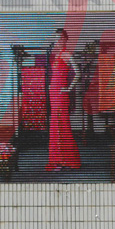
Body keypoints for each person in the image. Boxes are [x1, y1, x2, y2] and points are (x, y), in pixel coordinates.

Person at [46, 28, 82, 171]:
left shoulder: (67, 54)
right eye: (56, 39)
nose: (58, 41)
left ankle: (64, 160)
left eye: (60, 38)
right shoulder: (57, 54)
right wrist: (50, 85)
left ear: (66, 39)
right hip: (54, 92)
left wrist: (69, 88)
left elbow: (78, 73)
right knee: (55, 126)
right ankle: (57, 160)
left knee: (62, 125)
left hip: (61, 93)